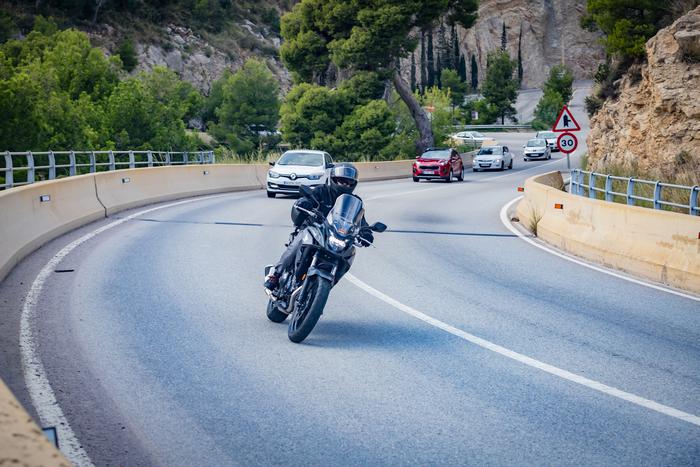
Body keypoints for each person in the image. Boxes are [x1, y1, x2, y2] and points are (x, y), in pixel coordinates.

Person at [264, 163, 374, 291]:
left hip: (335, 237)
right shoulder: (321, 191)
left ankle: (327, 284)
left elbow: (360, 220)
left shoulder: (354, 201)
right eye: (342, 181)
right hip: (314, 229)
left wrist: (366, 232)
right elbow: (308, 198)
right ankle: (276, 274)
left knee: (350, 252)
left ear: (354, 184)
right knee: (301, 238)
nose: (345, 185)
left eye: (349, 182)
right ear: (333, 179)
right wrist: (305, 202)